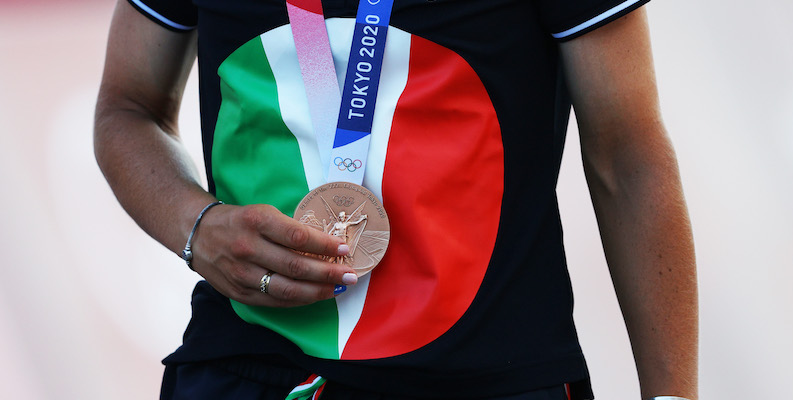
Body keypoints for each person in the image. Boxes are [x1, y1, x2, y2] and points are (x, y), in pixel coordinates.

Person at [94, 0, 698, 399]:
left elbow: (628, 157)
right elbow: (128, 108)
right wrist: (197, 227)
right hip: (246, 367)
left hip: (491, 379)